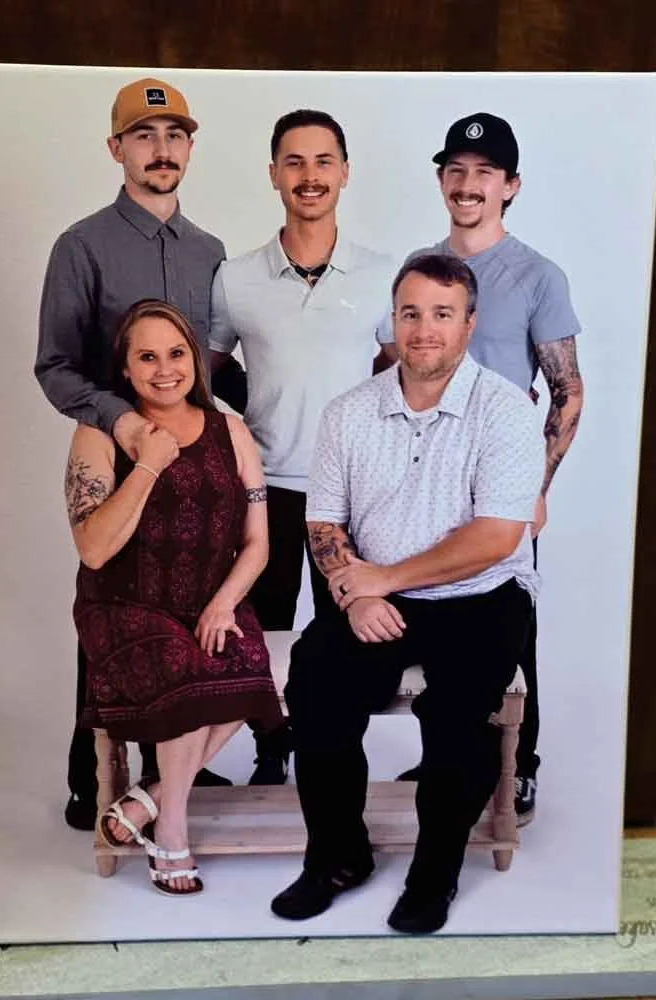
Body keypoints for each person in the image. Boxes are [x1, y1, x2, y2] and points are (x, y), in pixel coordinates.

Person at [269, 254, 544, 933]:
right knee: (317, 682)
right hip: (375, 594)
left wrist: (384, 578)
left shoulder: (506, 411)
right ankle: (338, 857)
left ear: (469, 324)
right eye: (411, 313)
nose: (424, 329)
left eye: (442, 314)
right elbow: (323, 523)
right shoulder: (349, 412)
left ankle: (434, 873)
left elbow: (495, 538)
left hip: (481, 595)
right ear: (392, 320)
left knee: (456, 717)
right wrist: (355, 594)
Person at [35, 77, 248, 829]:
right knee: (113, 607)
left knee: (192, 605)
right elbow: (55, 367)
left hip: (198, 461)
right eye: (144, 136)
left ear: (189, 147)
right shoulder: (81, 246)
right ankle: (88, 773)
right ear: (116, 148)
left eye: (175, 136)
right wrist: (123, 423)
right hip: (119, 457)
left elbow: (210, 363)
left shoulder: (211, 252)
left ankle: (176, 766)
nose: (161, 150)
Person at [396, 113, 584, 824]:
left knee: (511, 632)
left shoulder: (537, 275)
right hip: (421, 483)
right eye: (456, 170)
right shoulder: (421, 265)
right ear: (441, 179)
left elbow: (567, 389)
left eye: (484, 173)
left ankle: (519, 766)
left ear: (511, 185)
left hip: (499, 484)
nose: (468, 184)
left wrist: (537, 485)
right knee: (430, 622)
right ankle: (443, 754)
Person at [68, 298, 283, 894]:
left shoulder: (230, 430)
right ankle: (172, 831)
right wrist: (149, 465)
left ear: (196, 358)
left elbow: (258, 543)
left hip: (210, 599)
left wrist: (224, 602)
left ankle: (149, 799)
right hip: (125, 605)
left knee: (251, 668)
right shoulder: (98, 435)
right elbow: (92, 549)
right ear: (125, 368)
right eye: (147, 357)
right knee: (188, 674)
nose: (165, 369)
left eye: (177, 353)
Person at [208, 109, 398, 783]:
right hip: (268, 487)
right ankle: (271, 749)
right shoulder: (235, 278)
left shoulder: (381, 273)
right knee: (265, 627)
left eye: (323, 161)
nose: (309, 176)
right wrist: (247, 421)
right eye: (294, 162)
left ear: (345, 173)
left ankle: (333, 751)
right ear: (273, 175)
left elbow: (398, 369)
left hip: (353, 491)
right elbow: (205, 369)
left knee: (350, 626)